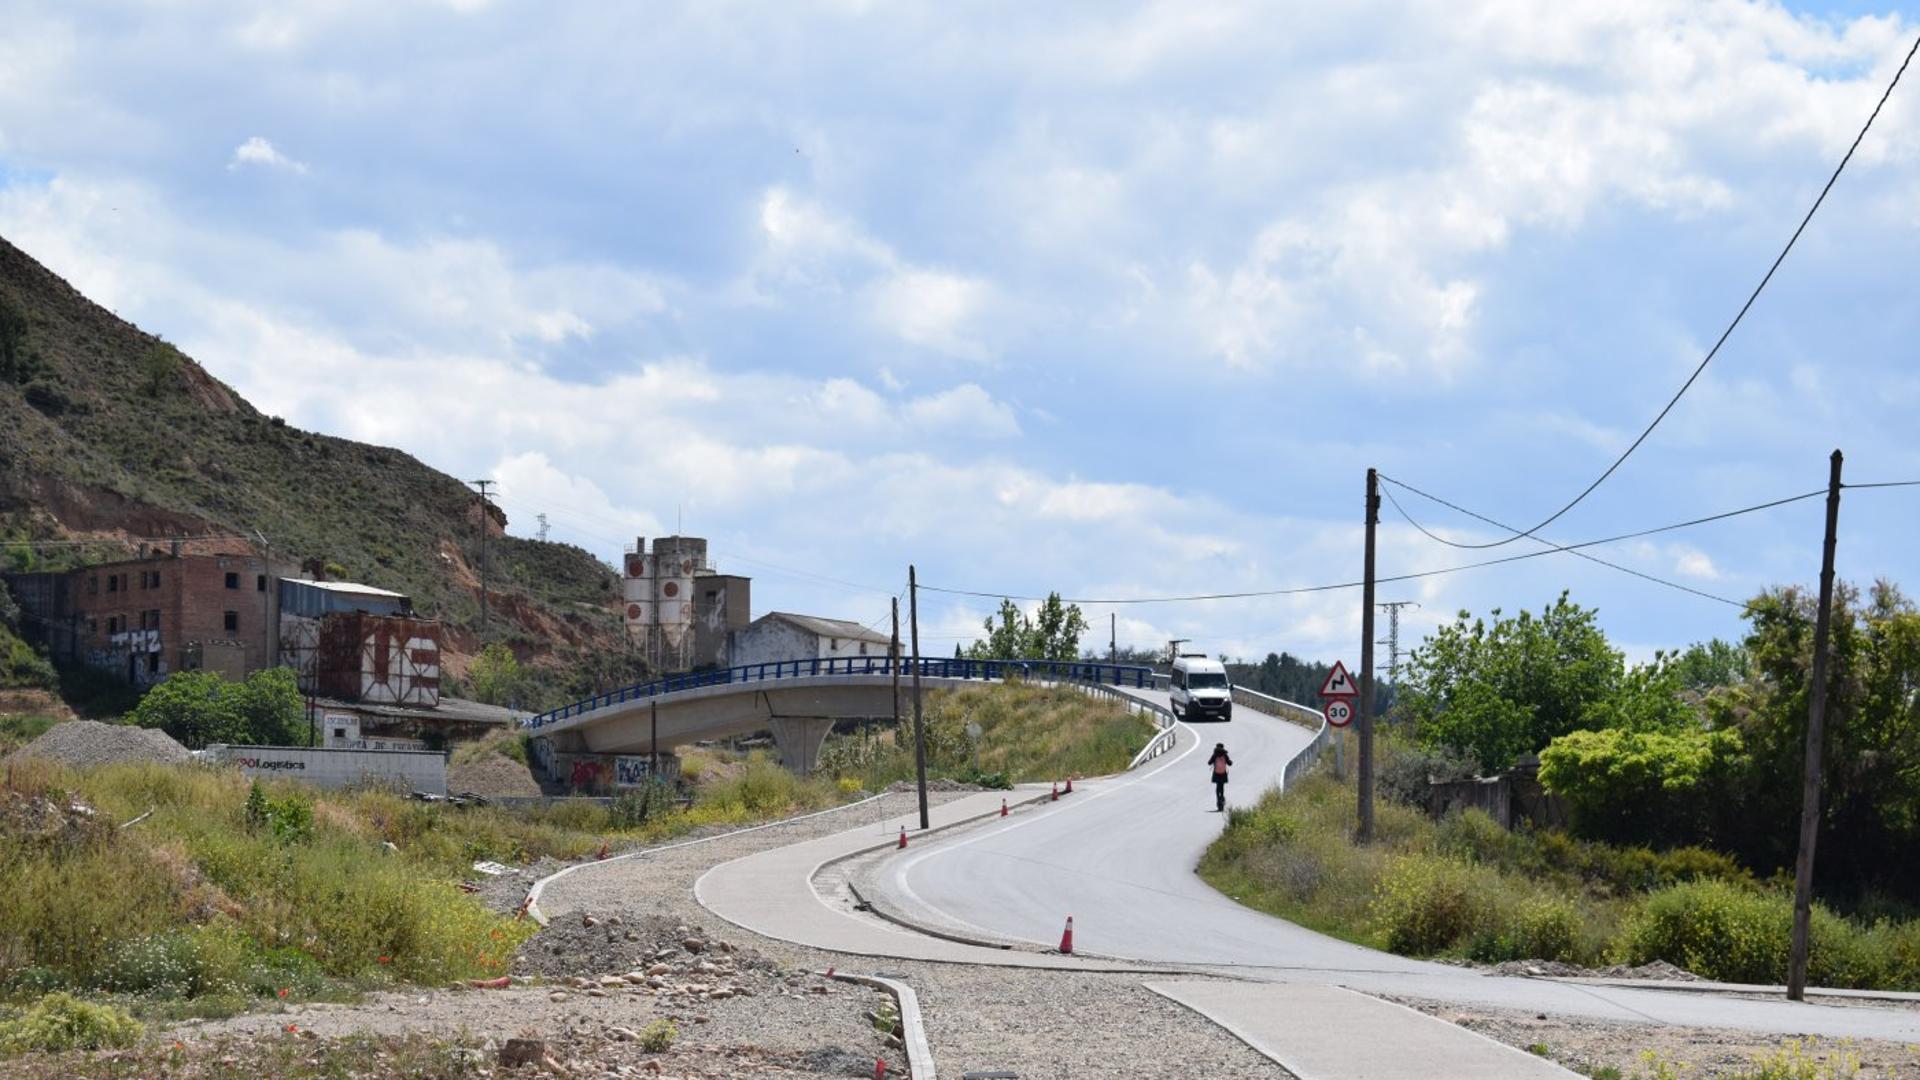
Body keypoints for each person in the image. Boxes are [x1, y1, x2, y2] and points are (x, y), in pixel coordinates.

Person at [1208, 742, 1232, 812]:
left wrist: (1213, 762)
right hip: (1223, 773)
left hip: (1216, 773)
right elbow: (1230, 763)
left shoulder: (1215, 755)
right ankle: (1222, 798)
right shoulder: (1225, 754)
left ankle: (1218, 800)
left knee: (1217, 788)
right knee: (1222, 787)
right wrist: (1230, 761)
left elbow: (1209, 763)